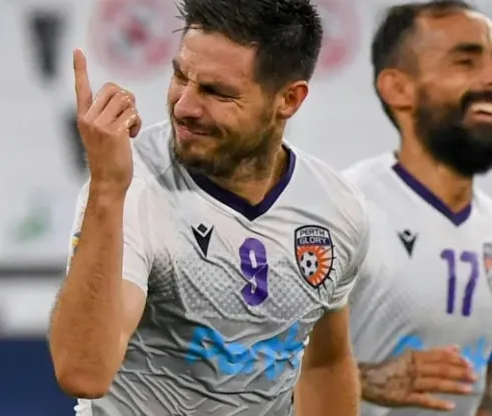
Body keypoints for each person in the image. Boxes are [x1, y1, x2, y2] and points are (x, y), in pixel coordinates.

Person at [48, 0, 370, 414]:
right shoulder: (133, 187)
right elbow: (83, 372)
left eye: (216, 92)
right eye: (180, 76)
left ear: (288, 99)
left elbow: (325, 362)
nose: (184, 106)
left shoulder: (336, 208)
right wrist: (108, 191)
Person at [342, 1, 492, 415]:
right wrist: (363, 380)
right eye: (466, 61)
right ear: (398, 89)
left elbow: (483, 385)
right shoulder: (343, 210)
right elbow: (252, 370)